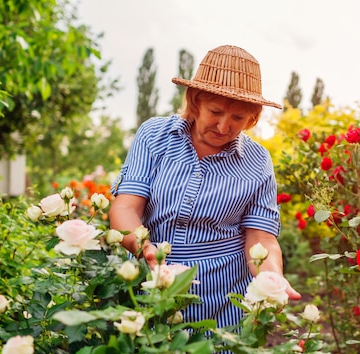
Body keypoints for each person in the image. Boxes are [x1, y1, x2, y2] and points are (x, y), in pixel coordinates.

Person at [109, 45, 300, 330]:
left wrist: (270, 277)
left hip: (222, 297)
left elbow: (261, 237)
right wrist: (144, 248)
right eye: (216, 111)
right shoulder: (155, 135)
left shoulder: (258, 160)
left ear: (252, 117)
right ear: (195, 102)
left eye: (238, 118)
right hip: (151, 279)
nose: (224, 126)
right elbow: (125, 206)